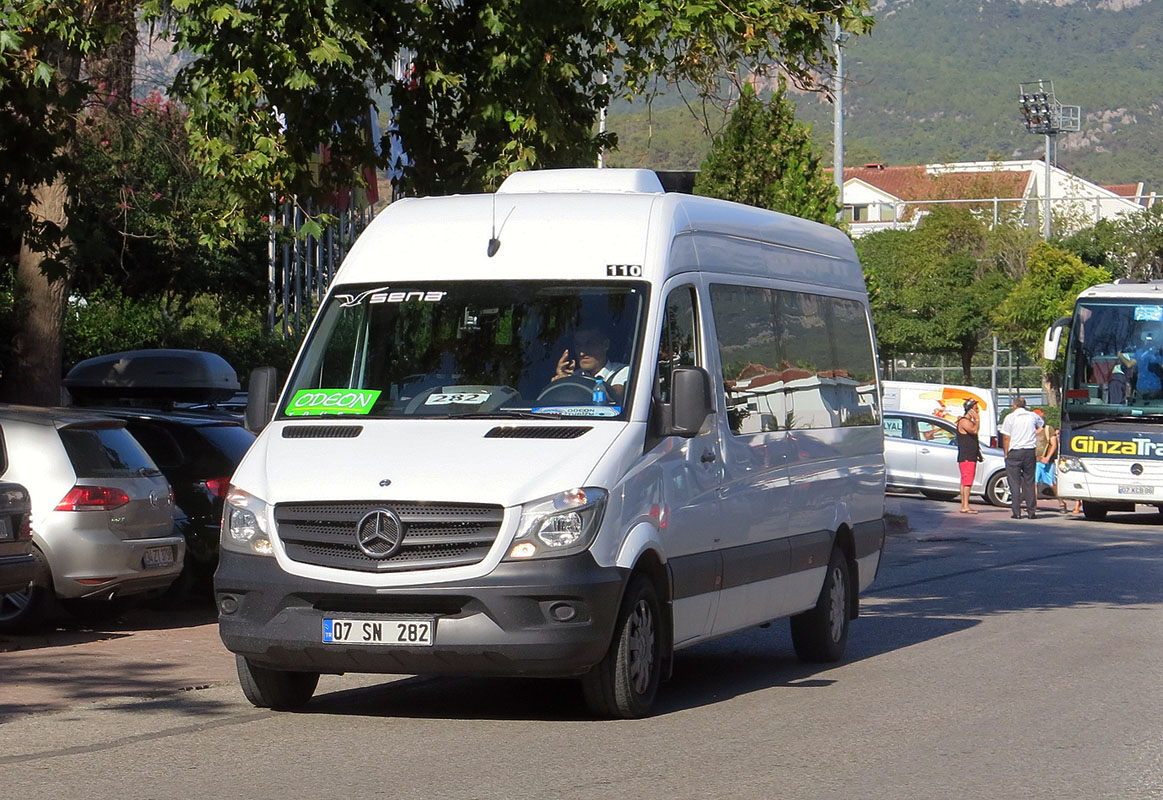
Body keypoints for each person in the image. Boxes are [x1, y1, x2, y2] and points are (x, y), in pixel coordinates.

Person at [551, 328, 630, 401]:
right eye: (578, 345)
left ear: (606, 345)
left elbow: (617, 393)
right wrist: (562, 383)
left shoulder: (622, 371)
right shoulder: (575, 376)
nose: (581, 353)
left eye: (590, 344)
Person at [1000, 397, 1043, 519]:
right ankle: (1031, 511)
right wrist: (1033, 433)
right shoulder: (1033, 416)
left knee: (1014, 482)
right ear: (1025, 405)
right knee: (1029, 481)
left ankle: (1016, 512)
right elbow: (1041, 425)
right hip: (1029, 451)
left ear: (1015, 406)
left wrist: (1006, 452)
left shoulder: (1010, 417)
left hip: (1015, 450)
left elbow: (1006, 437)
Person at [1033, 409, 1067, 512]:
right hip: (1034, 460)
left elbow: (1054, 444)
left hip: (1046, 461)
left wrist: (1048, 457)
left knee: (1051, 483)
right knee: (1034, 483)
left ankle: (1061, 503)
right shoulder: (1030, 430)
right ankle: (1033, 506)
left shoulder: (1048, 429)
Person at [956, 398, 984, 513]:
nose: (977, 410)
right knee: (967, 481)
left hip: (970, 455)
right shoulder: (964, 421)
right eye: (975, 407)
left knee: (966, 481)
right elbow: (974, 430)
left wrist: (978, 454)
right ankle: (965, 505)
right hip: (967, 456)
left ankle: (965, 504)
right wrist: (977, 419)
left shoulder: (967, 421)